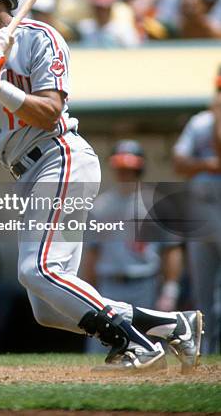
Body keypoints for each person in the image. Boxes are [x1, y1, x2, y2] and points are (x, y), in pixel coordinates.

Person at [0, 0, 203, 372]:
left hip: (58, 155)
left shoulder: (40, 37)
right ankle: (172, 325)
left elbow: (48, 112)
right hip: (24, 171)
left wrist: (1, 87)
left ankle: (136, 344)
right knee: (49, 308)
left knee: (38, 270)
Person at [82, 140, 184, 355]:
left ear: (140, 168)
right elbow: (92, 253)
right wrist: (87, 290)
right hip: (108, 285)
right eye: (120, 167)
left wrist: (170, 289)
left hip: (145, 283)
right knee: (101, 350)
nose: (125, 172)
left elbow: (171, 249)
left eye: (130, 168)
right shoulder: (101, 205)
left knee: (149, 348)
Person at [173, 67, 221, 352]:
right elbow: (179, 163)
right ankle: (206, 352)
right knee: (203, 291)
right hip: (202, 211)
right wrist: (208, 165)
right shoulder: (199, 121)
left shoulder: (211, 121)